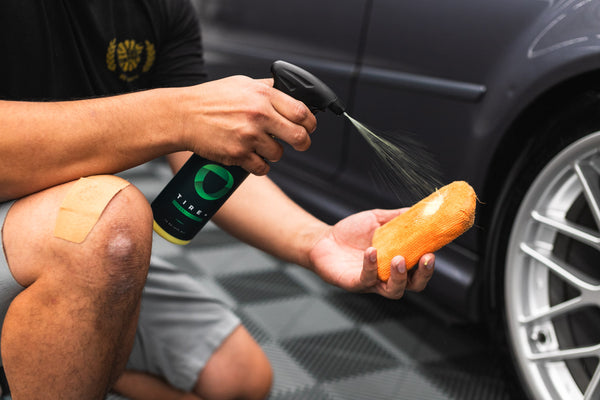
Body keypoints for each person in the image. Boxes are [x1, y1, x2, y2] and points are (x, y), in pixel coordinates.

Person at [0, 1, 436, 399]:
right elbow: (181, 122)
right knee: (109, 224)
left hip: (55, 232)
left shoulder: (162, 9)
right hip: (67, 231)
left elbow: (195, 156)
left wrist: (316, 241)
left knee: (239, 381)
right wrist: (177, 113)